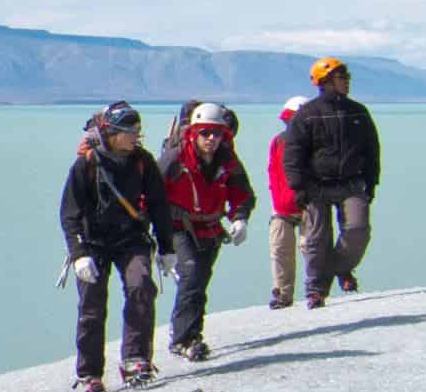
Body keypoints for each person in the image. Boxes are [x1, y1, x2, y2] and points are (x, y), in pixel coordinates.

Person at [61, 101, 175, 392]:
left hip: (131, 240)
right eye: (131, 131)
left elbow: (159, 206)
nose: (137, 136)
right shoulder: (86, 164)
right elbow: (69, 214)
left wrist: (167, 248)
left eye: (138, 130)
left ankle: (136, 359)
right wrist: (78, 256)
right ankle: (90, 373)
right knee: (91, 308)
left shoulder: (143, 161)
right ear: (113, 133)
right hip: (92, 245)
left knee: (141, 289)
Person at [157, 101, 255, 359]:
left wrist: (240, 217)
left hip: (210, 230)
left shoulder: (228, 160)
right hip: (178, 227)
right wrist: (152, 239)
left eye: (217, 133)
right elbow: (151, 195)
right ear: (194, 132)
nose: (212, 139)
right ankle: (183, 339)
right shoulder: (174, 159)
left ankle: (192, 335)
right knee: (192, 276)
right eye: (205, 133)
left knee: (198, 282)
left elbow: (242, 193)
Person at [279, 59, 380, 308]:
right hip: (316, 185)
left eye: (347, 76)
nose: (347, 81)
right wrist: (298, 187)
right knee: (316, 240)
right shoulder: (307, 114)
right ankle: (315, 290)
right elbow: (292, 154)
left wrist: (371, 181)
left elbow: (372, 148)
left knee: (358, 231)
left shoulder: (358, 111)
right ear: (324, 82)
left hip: (352, 182)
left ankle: (339, 268)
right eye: (341, 76)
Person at [263, 93, 307, 308]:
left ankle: (316, 291)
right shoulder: (278, 142)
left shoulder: (316, 146)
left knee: (311, 247)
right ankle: (282, 294)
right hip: (282, 208)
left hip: (309, 205)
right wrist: (275, 200)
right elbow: (272, 172)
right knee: (280, 250)